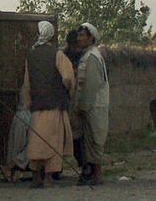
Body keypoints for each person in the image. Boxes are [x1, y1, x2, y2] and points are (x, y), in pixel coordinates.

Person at [20, 20, 75, 188]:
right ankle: (49, 178)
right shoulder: (57, 55)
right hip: (54, 107)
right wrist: (65, 91)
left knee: (36, 143)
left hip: (37, 108)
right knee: (53, 142)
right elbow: (68, 77)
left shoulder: (31, 55)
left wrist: (28, 103)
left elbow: (27, 83)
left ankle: (36, 177)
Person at [74, 22, 110, 185]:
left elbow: (91, 86)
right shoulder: (88, 55)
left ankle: (97, 175)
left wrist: (83, 106)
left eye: (82, 35)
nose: (79, 38)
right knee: (89, 140)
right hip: (90, 105)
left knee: (96, 140)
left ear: (91, 38)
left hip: (95, 105)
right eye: (79, 35)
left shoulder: (93, 57)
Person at [63, 28, 86, 174]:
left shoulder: (82, 56)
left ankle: (83, 163)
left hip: (76, 98)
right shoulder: (65, 57)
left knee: (77, 133)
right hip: (68, 98)